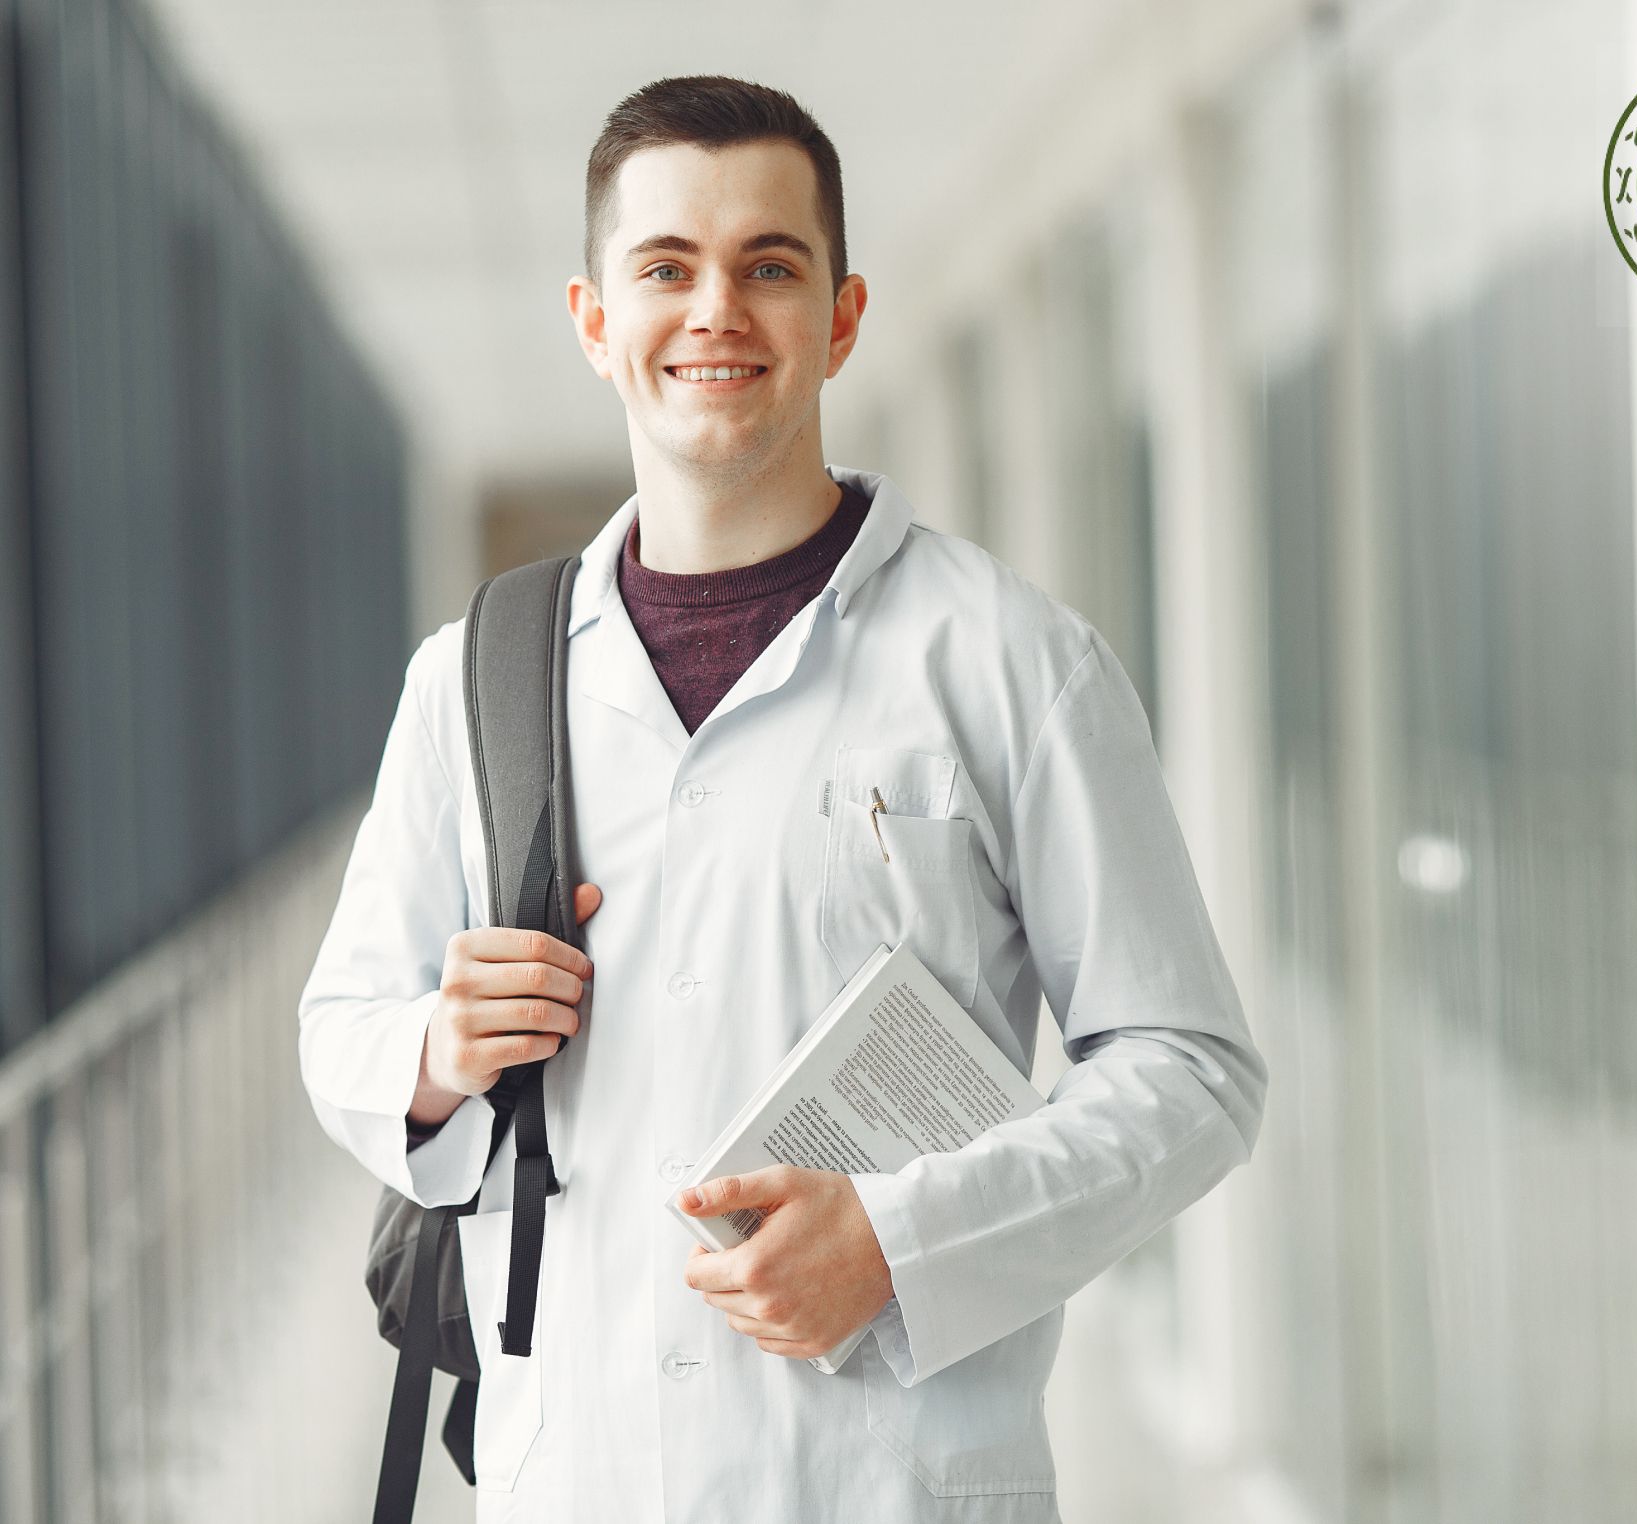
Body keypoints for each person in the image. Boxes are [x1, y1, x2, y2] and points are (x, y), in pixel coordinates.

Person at [298, 73, 1267, 1523]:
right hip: (579, 1482)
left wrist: (903, 1243)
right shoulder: (473, 679)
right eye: (665, 269)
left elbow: (1191, 1068)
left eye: (768, 266)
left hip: (891, 1485)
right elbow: (341, 1029)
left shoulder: (1007, 659)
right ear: (594, 321)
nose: (716, 312)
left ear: (843, 315)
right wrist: (438, 1052)